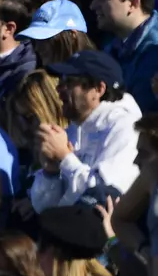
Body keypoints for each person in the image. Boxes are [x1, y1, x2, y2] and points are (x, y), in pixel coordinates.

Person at [28, 49, 140, 210]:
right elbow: (44, 209)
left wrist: (64, 158)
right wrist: (50, 171)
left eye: (68, 82)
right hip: (70, 228)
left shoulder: (126, 128)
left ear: (99, 89)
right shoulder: (75, 128)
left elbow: (104, 197)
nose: (58, 89)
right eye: (60, 81)